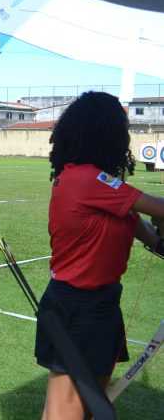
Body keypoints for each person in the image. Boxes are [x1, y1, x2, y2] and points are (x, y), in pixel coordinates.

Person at [37, 91, 164, 420]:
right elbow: (158, 209)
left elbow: (143, 230)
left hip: (103, 304)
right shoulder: (86, 179)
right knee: (64, 412)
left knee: (93, 405)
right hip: (74, 306)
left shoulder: (107, 190)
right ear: (103, 132)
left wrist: (159, 239)